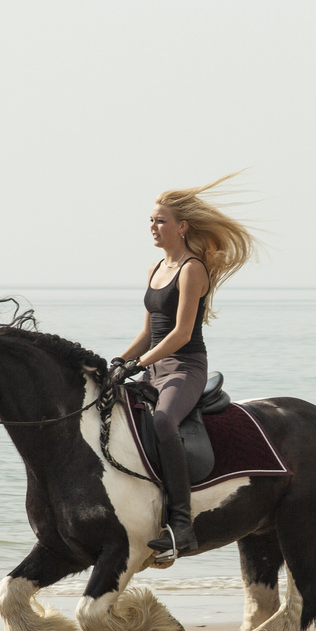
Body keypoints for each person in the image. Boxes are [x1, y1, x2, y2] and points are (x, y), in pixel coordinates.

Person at [110, 175, 256, 558]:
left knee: (162, 422)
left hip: (185, 367)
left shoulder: (192, 269)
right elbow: (148, 332)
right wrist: (119, 362)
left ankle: (181, 524)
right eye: (151, 221)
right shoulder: (154, 269)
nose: (153, 228)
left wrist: (139, 363)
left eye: (160, 221)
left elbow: (179, 333)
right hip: (154, 366)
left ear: (182, 226)